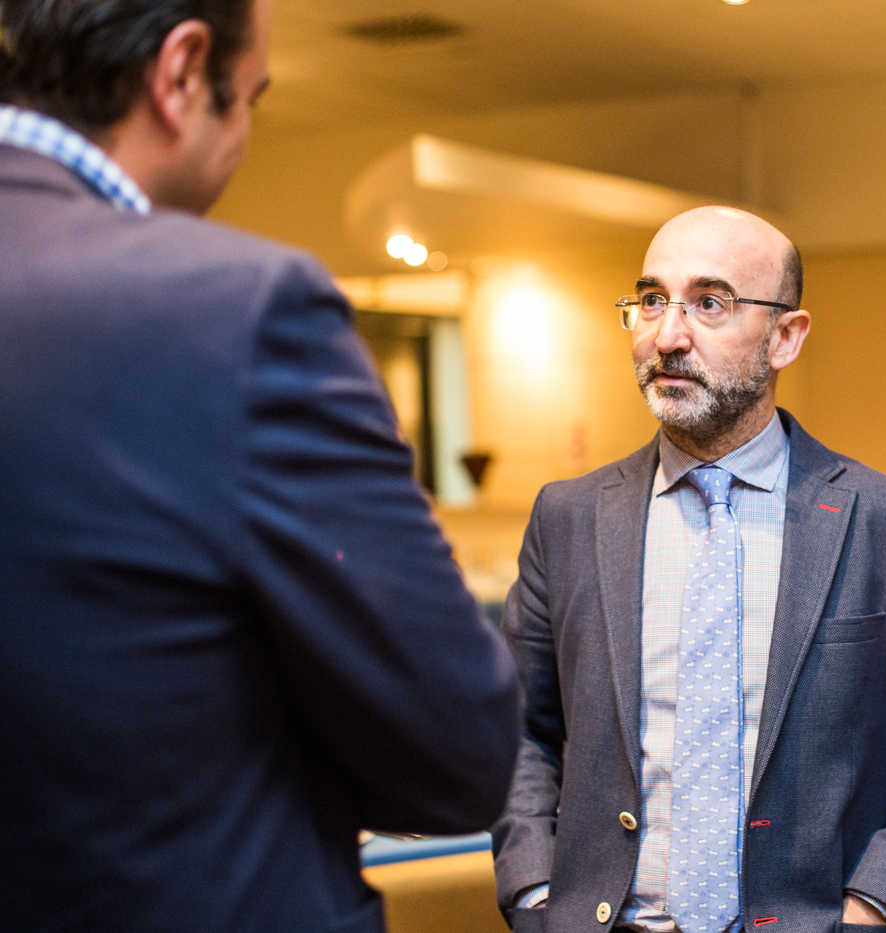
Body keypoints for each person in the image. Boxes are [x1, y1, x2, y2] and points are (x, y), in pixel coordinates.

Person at [0, 2, 521, 931]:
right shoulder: (235, 310)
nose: (246, 138)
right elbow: (457, 750)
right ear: (182, 71)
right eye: (252, 101)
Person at [490, 205, 886, 932]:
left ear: (785, 336)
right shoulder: (569, 517)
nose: (668, 335)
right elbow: (515, 731)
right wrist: (536, 892)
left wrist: (879, 906)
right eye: (651, 300)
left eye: (710, 303)